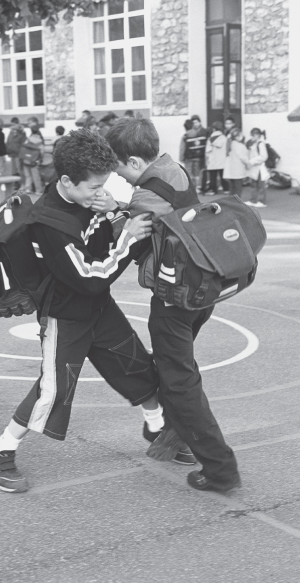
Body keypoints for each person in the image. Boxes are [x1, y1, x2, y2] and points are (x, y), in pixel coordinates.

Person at [0, 129, 162, 493]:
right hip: (65, 314)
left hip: (98, 308)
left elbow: (98, 242)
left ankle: (157, 428)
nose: (100, 192)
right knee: (53, 388)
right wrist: (128, 238)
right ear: (66, 180)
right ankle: (0, 451)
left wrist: (112, 210)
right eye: (93, 187)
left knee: (136, 364)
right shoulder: (50, 225)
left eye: (104, 185)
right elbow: (91, 276)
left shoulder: (85, 200)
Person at [104, 118, 241, 492]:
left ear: (133, 161)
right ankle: (173, 436)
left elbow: (129, 238)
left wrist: (113, 212)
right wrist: (121, 204)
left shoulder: (144, 195)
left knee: (180, 380)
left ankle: (219, 468)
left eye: (117, 166)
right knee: (176, 369)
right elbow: (162, 210)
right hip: (203, 285)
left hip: (175, 296)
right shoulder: (171, 167)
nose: (117, 174)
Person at [179, 115, 208, 192]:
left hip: (188, 158)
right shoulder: (198, 134)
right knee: (197, 173)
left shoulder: (185, 136)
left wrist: (181, 157)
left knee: (188, 172)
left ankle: (191, 188)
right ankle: (198, 187)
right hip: (198, 156)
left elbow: (182, 148)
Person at [244, 128, 269, 208]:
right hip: (253, 167)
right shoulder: (253, 143)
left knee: (261, 184)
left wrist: (252, 161)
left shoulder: (260, 144)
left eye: (253, 135)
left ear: (257, 135)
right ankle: (253, 199)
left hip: (259, 167)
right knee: (253, 184)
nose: (252, 137)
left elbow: (264, 156)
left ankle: (262, 201)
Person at [223, 127, 249, 199]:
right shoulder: (240, 146)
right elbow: (243, 158)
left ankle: (231, 203)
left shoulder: (229, 144)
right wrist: (248, 163)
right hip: (238, 170)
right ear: (237, 137)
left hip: (230, 171)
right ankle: (238, 203)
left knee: (232, 188)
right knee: (238, 189)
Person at [205, 121, 229, 195]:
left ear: (213, 129)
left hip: (213, 160)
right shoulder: (224, 138)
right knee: (223, 175)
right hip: (222, 159)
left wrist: (207, 159)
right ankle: (226, 189)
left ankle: (213, 190)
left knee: (213, 176)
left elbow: (208, 150)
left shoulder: (210, 139)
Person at [21, 125, 45, 193]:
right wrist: (41, 159)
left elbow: (24, 148)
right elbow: (42, 151)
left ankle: (28, 188)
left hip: (26, 159)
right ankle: (38, 190)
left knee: (28, 175)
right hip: (34, 161)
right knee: (36, 176)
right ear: (38, 132)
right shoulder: (39, 141)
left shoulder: (28, 139)